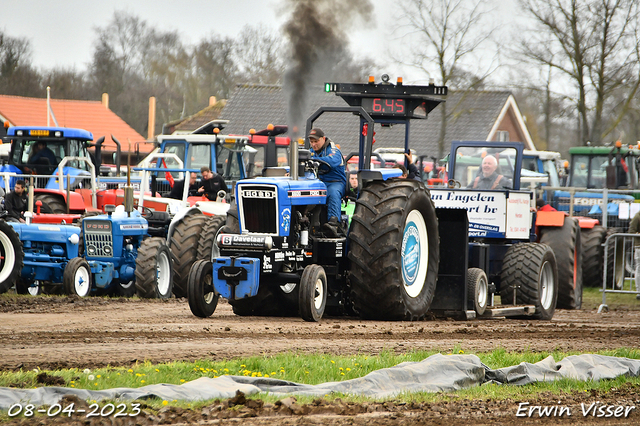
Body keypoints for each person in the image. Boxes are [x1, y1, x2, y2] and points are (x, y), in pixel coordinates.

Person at [308, 128, 346, 237]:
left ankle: (333, 223)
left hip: (336, 182)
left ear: (323, 139)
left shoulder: (333, 150)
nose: (314, 144)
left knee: (332, 193)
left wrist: (314, 160)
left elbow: (333, 160)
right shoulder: (310, 151)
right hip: (319, 182)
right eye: (312, 142)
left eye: (316, 141)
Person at [628, 210, 640, 299]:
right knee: (639, 268)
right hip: (639, 247)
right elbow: (631, 231)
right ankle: (639, 291)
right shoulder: (637, 217)